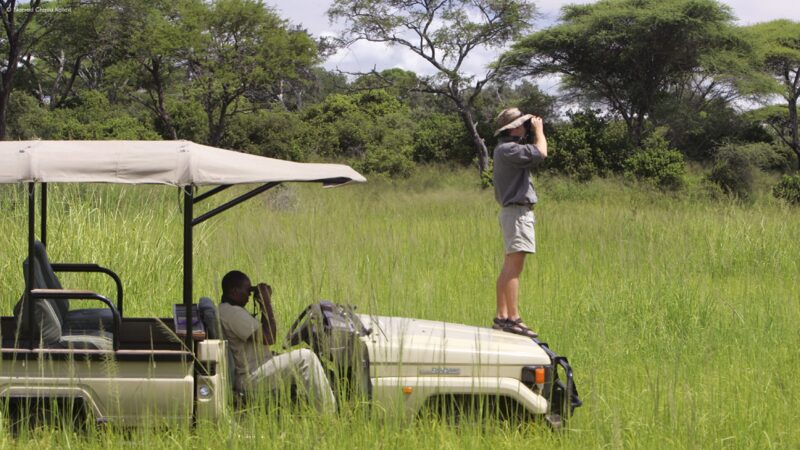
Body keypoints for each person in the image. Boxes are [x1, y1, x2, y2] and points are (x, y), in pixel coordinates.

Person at [217, 270, 336, 413]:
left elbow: (260, 341)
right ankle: (329, 414)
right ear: (234, 291)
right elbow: (269, 337)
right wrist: (266, 302)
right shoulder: (233, 313)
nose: (249, 296)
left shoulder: (227, 310)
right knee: (306, 358)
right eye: (247, 290)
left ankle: (304, 409)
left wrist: (262, 305)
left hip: (254, 368)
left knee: (296, 357)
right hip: (251, 377)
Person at [491, 108, 548, 338]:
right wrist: (539, 131)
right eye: (523, 124)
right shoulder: (510, 149)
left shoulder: (503, 149)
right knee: (514, 269)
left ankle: (502, 316)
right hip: (517, 214)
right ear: (513, 128)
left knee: (508, 267)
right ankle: (513, 319)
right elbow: (541, 152)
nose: (526, 127)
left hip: (511, 213)